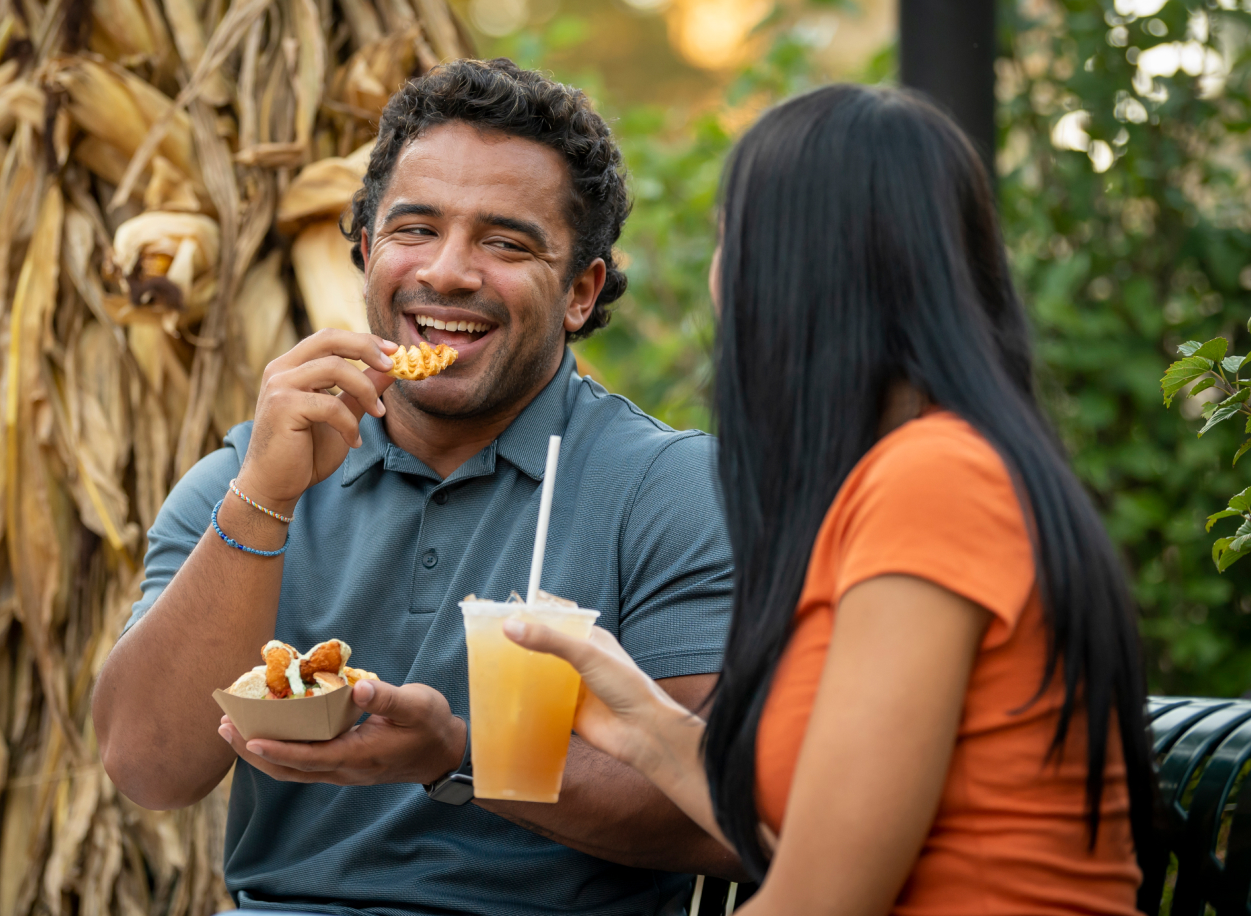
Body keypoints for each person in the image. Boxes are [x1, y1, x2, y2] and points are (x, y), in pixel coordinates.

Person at [93, 58, 743, 916]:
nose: (448, 272)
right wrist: (263, 500)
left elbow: (718, 822)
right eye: (415, 230)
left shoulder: (671, 489)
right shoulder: (247, 476)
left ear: (581, 292)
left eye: (505, 242)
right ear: (366, 255)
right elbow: (150, 766)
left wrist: (456, 758)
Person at [506, 83, 1160, 914]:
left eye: (728, 239)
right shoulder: (923, 471)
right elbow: (809, 845)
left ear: (796, 269)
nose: (718, 278)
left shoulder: (935, 482)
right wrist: (637, 717)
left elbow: (822, 899)